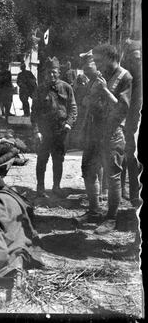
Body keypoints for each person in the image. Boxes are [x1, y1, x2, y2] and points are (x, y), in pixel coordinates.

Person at [77, 44, 132, 234]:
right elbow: (85, 102)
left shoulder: (125, 77)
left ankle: (111, 219)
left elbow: (123, 109)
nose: (97, 65)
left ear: (110, 57)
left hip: (112, 133)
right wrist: (91, 96)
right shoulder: (102, 75)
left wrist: (105, 91)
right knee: (88, 170)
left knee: (112, 176)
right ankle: (94, 211)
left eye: (100, 61)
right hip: (94, 131)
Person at [31, 57, 77, 198]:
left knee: (58, 160)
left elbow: (73, 109)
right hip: (45, 132)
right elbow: (34, 113)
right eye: (49, 72)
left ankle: (56, 187)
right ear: (45, 73)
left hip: (61, 130)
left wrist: (69, 123)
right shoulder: (40, 90)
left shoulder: (66, 88)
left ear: (59, 72)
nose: (52, 75)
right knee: (42, 160)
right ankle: (40, 188)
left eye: (54, 72)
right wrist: (37, 131)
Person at [75, 50, 106, 226]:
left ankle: (95, 212)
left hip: (99, 133)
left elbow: (103, 106)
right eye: (84, 67)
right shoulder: (93, 81)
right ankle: (95, 208)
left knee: (89, 169)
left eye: (88, 66)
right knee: (92, 169)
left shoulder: (101, 81)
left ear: (96, 65)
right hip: (92, 132)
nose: (85, 70)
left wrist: (89, 100)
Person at [121, 39, 143, 209]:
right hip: (130, 124)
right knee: (130, 159)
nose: (137, 62)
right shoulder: (127, 77)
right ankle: (134, 197)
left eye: (139, 58)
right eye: (134, 58)